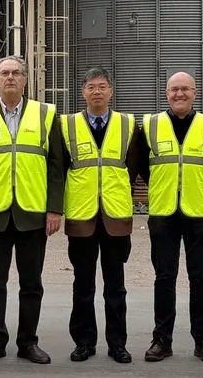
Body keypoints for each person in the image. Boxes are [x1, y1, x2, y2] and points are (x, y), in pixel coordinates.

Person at [0, 55, 65, 365]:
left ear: (25, 79)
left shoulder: (46, 114)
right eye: (4, 73)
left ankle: (27, 342)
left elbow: (57, 166)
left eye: (16, 73)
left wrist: (54, 209)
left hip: (32, 214)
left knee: (31, 282)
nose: (10, 77)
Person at [137, 72, 203, 364]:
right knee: (164, 277)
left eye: (185, 89)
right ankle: (161, 340)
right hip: (163, 211)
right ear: (166, 93)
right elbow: (141, 165)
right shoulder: (150, 125)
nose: (179, 94)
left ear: (195, 92)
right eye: (174, 89)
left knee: (200, 278)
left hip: (198, 211)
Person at [62, 68, 138, 364]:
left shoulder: (128, 124)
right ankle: (84, 342)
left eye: (102, 86)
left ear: (111, 91)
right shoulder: (67, 125)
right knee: (82, 285)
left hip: (115, 218)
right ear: (83, 92)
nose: (97, 92)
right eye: (91, 87)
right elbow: (62, 167)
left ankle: (117, 343)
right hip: (82, 217)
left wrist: (113, 192)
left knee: (116, 286)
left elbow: (132, 166)